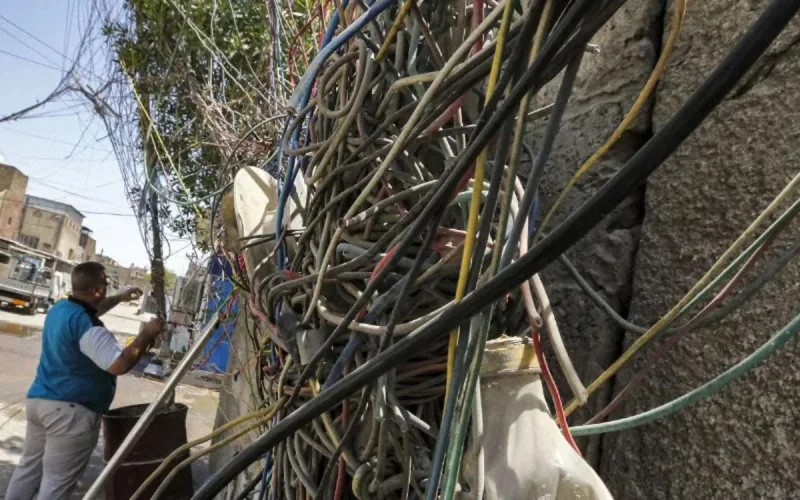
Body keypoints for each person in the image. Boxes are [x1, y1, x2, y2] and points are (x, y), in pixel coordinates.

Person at [5, 262, 164, 500]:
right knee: (56, 483)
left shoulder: (62, 309)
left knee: (28, 470)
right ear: (98, 290)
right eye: (106, 285)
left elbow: (92, 309)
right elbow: (119, 363)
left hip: (40, 403)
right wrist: (146, 334)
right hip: (70, 413)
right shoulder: (89, 327)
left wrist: (119, 297)